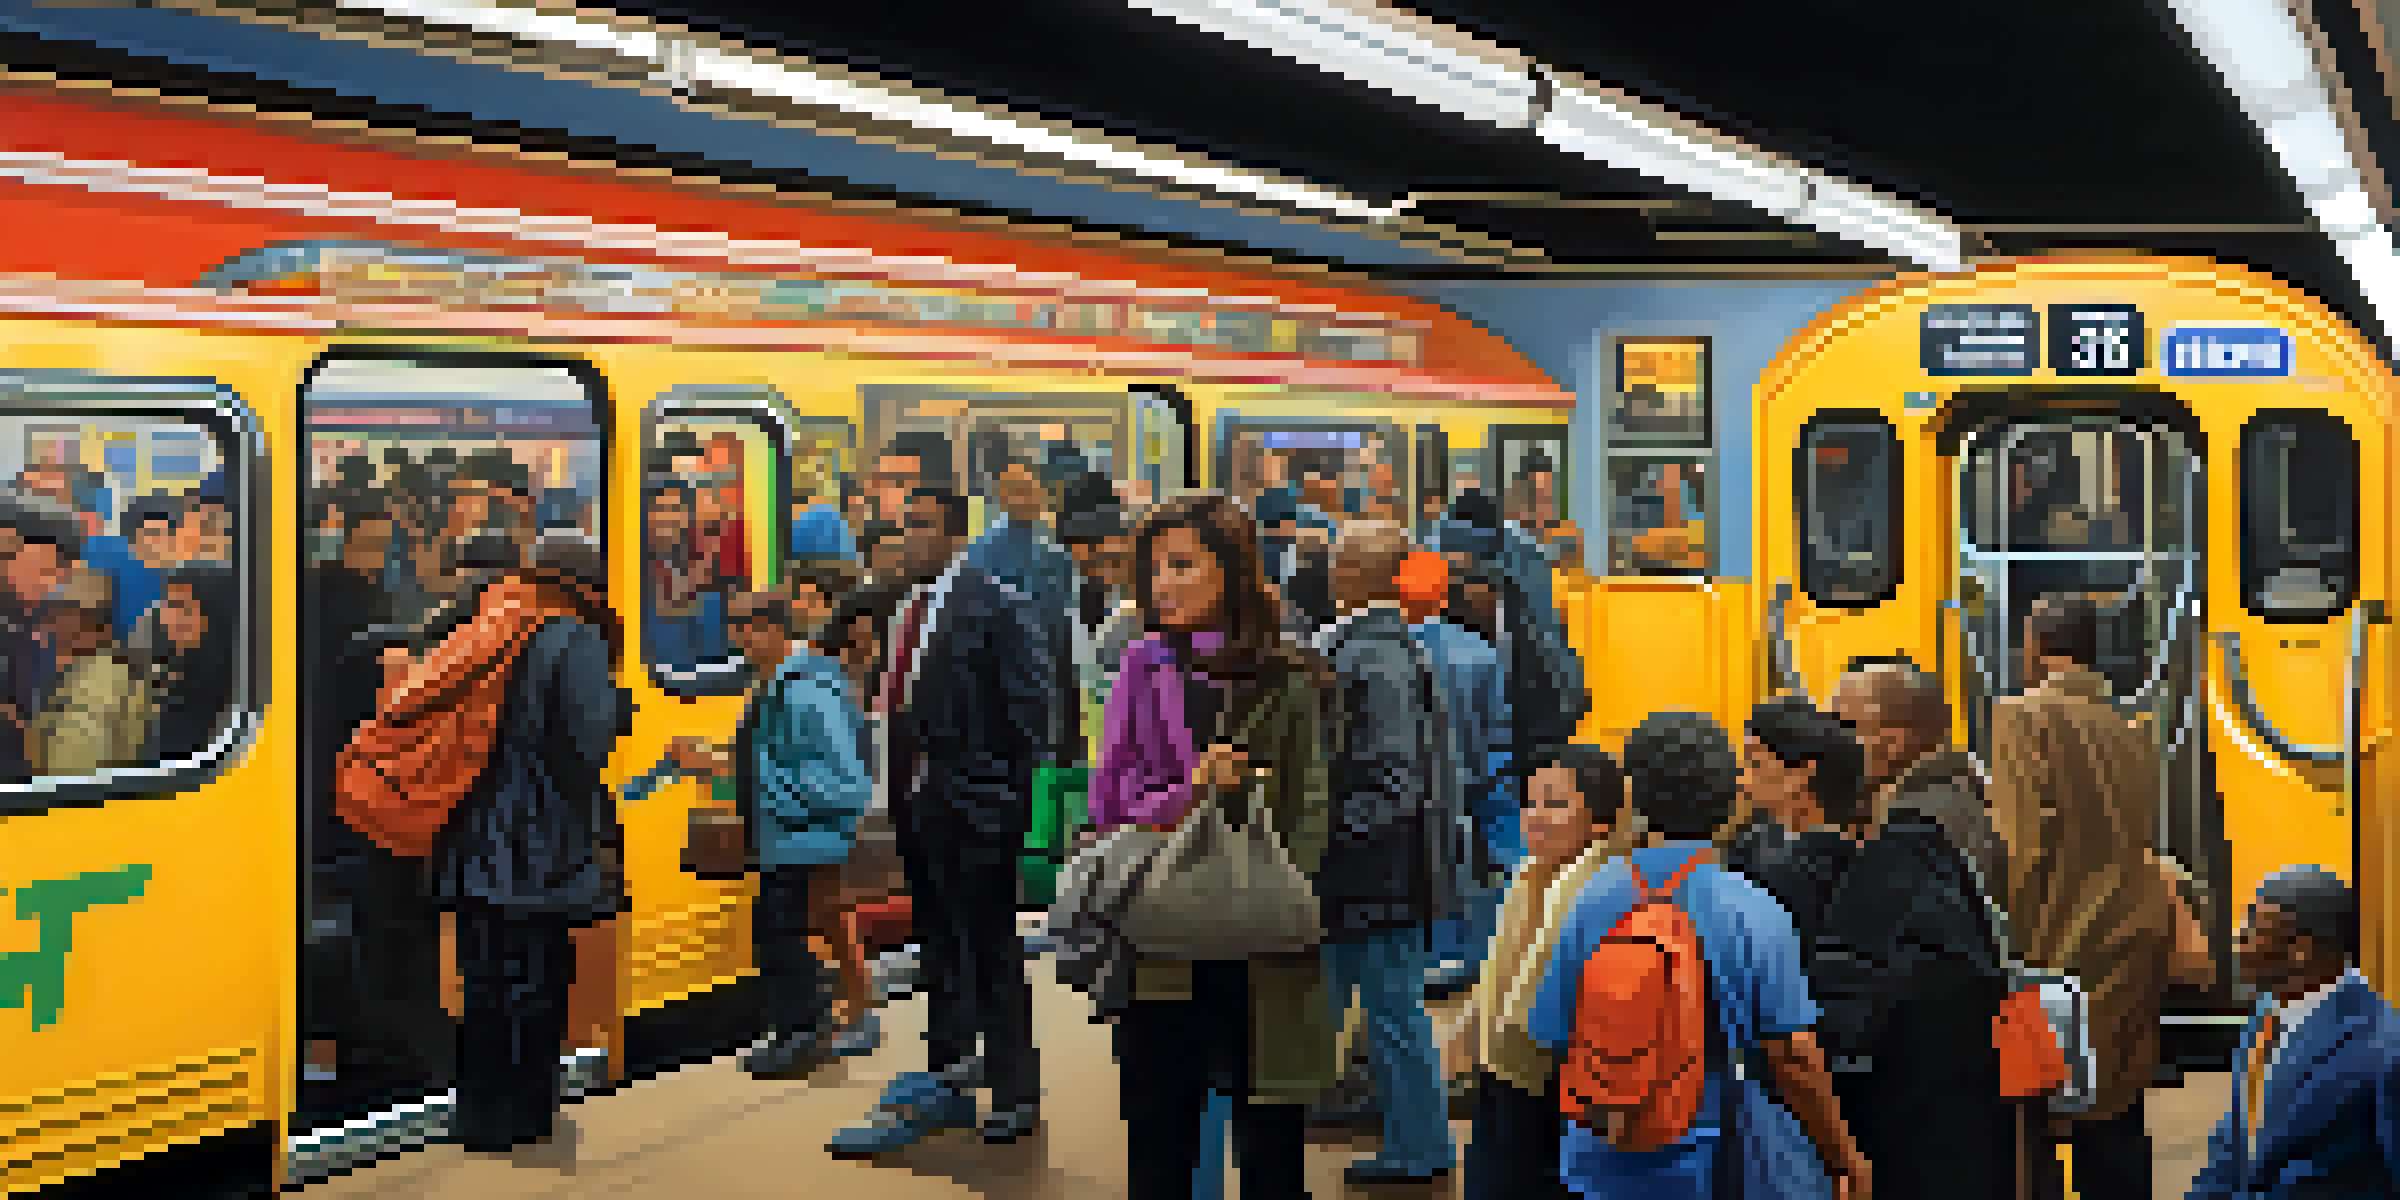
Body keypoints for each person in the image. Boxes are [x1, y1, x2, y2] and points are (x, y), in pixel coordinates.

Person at [336, 533, 632, 1154]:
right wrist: (619, 709)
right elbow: (587, 745)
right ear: (587, 588)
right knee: (536, 981)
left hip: (470, 835)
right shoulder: (571, 638)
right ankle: (525, 1115)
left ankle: (478, 1115)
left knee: (485, 984)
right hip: (538, 844)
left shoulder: (489, 624)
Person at [1085, 492, 1335, 1200]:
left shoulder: (1287, 677)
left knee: (1272, 1148)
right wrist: (1191, 789)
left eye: (1181, 565)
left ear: (1230, 569)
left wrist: (1276, 895)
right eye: (1154, 567)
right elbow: (1109, 803)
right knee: (1160, 1142)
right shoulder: (1141, 665)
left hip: (1265, 945)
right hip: (1161, 938)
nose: (1161, 583)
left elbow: (1309, 809)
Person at [1527, 710, 1870, 1199]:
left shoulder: (1590, 897)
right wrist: (1844, 1157)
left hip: (1603, 1151)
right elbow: (1793, 1056)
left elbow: (1552, 1032)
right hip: (1712, 1153)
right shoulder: (1752, 907)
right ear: (1729, 801)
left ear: (1633, 798)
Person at [828, 485, 1049, 1155]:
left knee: (992, 949)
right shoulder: (908, 609)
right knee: (940, 948)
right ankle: (949, 1075)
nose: (906, 539)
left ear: (956, 534)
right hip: (919, 805)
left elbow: (1031, 713)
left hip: (976, 809)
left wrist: (998, 800)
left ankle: (1015, 1090)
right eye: (903, 526)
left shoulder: (996, 604)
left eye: (921, 525)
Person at [1990, 591, 2174, 1200]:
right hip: (2134, 941)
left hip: (2054, 945)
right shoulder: (2133, 729)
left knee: (2034, 1120)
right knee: (2117, 1117)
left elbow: (2023, 846)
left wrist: (2005, 943)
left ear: (2038, 647)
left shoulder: (2021, 717)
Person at [647, 589, 874, 1073]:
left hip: (804, 833)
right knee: (778, 931)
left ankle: (806, 1030)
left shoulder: (807, 690)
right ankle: (801, 1029)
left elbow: (843, 778)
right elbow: (771, 759)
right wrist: (715, 764)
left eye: (748, 627)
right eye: (735, 627)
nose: (740, 638)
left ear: (776, 629)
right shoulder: (776, 685)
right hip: (784, 832)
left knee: (780, 931)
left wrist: (779, 797)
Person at [1315, 520, 1459, 1184]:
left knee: (1392, 1016)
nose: (1331, 571)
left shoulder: (1369, 657)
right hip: (1389, 870)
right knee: (1388, 1013)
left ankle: (1420, 1146)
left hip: (1373, 875)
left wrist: (1325, 835)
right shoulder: (1393, 648)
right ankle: (1414, 1139)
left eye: (1342, 561)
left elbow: (1395, 782)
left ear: (1357, 575)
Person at [1450, 743, 1638, 1200]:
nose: (1533, 816)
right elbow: (1500, 969)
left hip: (1555, 1082)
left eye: (1554, 804)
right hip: (1505, 1069)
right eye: (1530, 803)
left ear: (1600, 821)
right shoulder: (1532, 874)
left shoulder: (1607, 888)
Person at [2188, 867, 2400, 1198]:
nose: (2238, 939)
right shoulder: (2265, 1016)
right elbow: (2235, 1146)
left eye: (2253, 927)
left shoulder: (2383, 1046)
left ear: (2300, 949)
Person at [1401, 550, 1509, 991]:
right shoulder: (1479, 653)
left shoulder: (1379, 651)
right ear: (1444, 595)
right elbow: (1497, 739)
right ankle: (1460, 959)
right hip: (1464, 794)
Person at [1829, 663, 2005, 895]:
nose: (1827, 744)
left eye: (1840, 727)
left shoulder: (1912, 824)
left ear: (1893, 742)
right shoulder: (1963, 794)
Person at [28, 566, 152, 776]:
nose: (53, 625)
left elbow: (70, 771)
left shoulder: (102, 683)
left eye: (60, 615)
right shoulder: (81, 671)